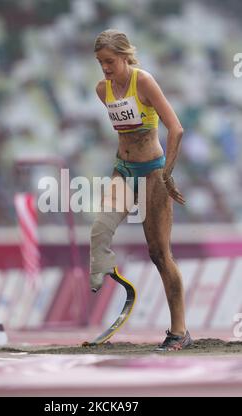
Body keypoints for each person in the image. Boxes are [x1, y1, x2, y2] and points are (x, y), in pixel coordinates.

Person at [90, 29, 192, 352]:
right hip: (123, 169)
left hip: (152, 174)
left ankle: (179, 332)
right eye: (100, 62)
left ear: (124, 56)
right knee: (100, 228)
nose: (104, 68)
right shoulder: (102, 90)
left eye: (109, 61)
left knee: (159, 254)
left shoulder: (143, 81)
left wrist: (168, 175)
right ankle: (102, 274)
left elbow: (175, 128)